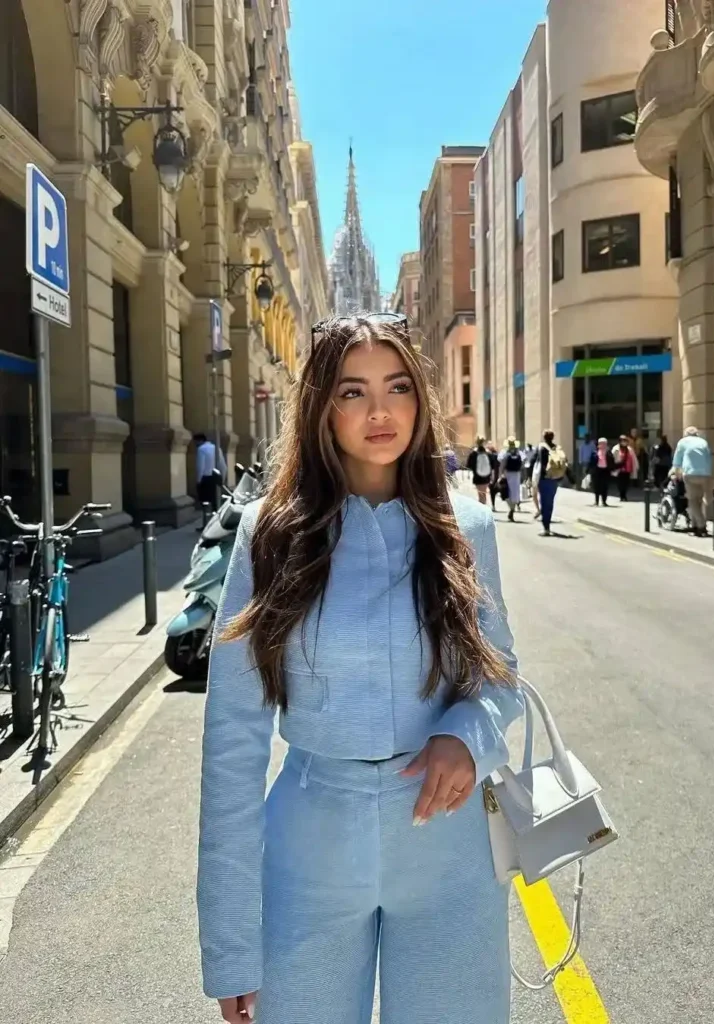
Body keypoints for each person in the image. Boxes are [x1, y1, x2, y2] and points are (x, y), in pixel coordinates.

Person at [197, 314, 523, 1024]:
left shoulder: (466, 529)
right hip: (311, 842)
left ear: (419, 401)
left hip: (446, 846)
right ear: (321, 406)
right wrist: (229, 944)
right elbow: (232, 740)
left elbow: (497, 681)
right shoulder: (269, 534)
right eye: (352, 392)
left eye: (398, 387)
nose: (379, 412)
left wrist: (464, 735)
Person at [672, 426, 713, 537]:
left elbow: (677, 460)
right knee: (699, 499)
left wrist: (675, 473)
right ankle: (695, 525)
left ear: (686, 434)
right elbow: (709, 458)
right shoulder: (703, 442)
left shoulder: (683, 442)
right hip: (705, 474)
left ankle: (701, 525)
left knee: (692, 501)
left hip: (690, 473)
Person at [536, 430, 568, 536]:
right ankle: (547, 524)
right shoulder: (557, 448)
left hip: (544, 478)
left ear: (544, 437)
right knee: (550, 502)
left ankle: (546, 528)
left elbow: (538, 463)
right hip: (554, 479)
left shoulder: (542, 448)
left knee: (544, 503)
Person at [194, 433, 227, 510]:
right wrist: (222, 479)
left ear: (199, 440)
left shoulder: (201, 449)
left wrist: (198, 481)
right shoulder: (216, 448)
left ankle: (206, 518)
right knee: (215, 501)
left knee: (205, 502)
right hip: (215, 478)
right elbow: (223, 466)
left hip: (205, 479)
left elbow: (200, 466)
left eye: (196, 442)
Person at [498, 437, 523, 522]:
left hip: (507, 474)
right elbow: (524, 462)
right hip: (516, 474)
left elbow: (501, 465)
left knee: (505, 493)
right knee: (515, 493)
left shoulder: (504, 452)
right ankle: (512, 510)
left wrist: (500, 475)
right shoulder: (519, 452)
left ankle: (511, 509)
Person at [466, 436, 494, 504]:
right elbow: (493, 465)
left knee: (480, 494)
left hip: (477, 476)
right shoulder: (488, 453)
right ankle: (484, 506)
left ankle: (481, 506)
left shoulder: (473, 454)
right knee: (484, 493)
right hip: (486, 476)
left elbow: (468, 465)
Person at [588, 437, 614, 507]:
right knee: (597, 487)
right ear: (598, 444)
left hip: (605, 471)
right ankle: (596, 501)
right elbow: (591, 462)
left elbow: (612, 462)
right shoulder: (595, 452)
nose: (603, 445)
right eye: (601, 443)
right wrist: (588, 471)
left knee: (604, 487)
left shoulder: (609, 452)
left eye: (604, 444)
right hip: (597, 471)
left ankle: (604, 501)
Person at [612, 434, 635, 502]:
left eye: (625, 440)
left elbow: (633, 459)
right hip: (619, 469)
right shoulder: (616, 449)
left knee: (626, 483)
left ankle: (624, 495)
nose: (624, 442)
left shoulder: (630, 449)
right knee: (620, 483)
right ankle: (622, 495)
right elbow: (612, 458)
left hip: (627, 469)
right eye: (622, 440)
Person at [487, 442, 501, 510]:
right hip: (497, 473)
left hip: (492, 473)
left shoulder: (489, 456)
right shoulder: (497, 455)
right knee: (494, 489)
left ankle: (493, 505)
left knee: (492, 490)